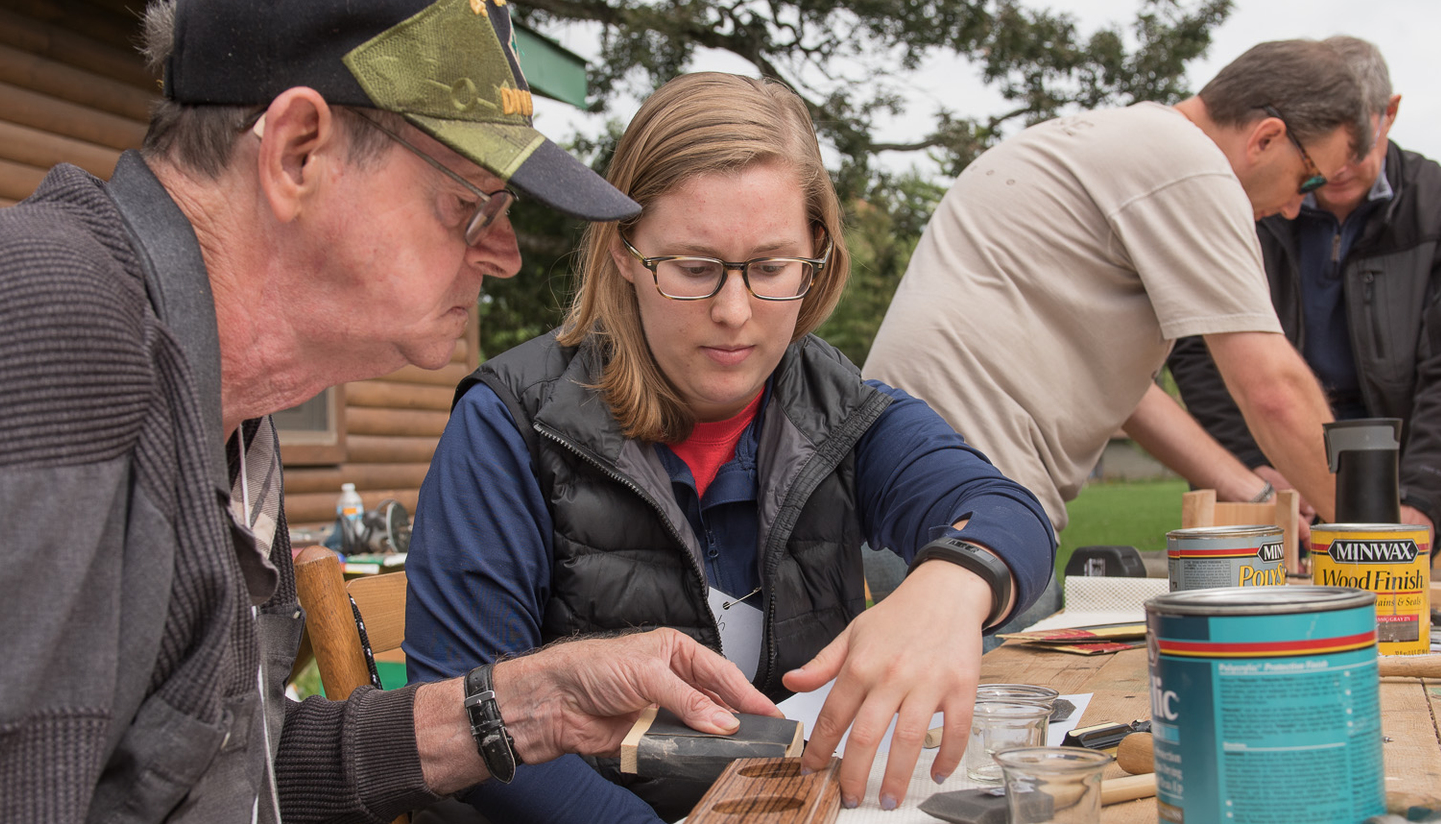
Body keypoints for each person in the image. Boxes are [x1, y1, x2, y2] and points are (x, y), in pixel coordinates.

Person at [0, 1, 785, 821]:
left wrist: (529, 705)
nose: (502, 255)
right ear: (299, 150)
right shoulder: (46, 341)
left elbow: (234, 773)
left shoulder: (216, 410)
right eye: (471, 205)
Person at [402, 72, 1057, 821]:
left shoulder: (837, 406)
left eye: (772, 268)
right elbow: (464, 723)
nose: (735, 313)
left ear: (817, 253)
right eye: (695, 269)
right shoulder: (510, 424)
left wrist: (952, 586)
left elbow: (1007, 514)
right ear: (623, 252)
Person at [862, 39, 1371, 553]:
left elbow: (1132, 397)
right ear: (1266, 138)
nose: (1294, 208)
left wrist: (1254, 492)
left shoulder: (1118, 143)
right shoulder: (1192, 166)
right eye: (1309, 178)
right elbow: (1273, 391)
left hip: (908, 468)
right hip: (966, 489)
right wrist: (1377, 545)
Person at [1168, 36, 1441, 551]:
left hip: (1388, 463)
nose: (1338, 169)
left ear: (1389, 114)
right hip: (1262, 454)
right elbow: (1201, 348)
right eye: (1319, 153)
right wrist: (1248, 467)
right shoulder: (1248, 199)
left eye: (1357, 144)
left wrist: (1420, 496)